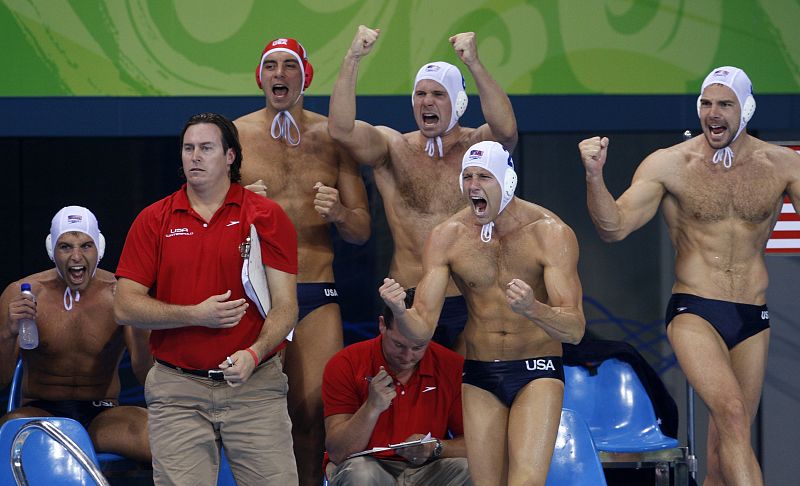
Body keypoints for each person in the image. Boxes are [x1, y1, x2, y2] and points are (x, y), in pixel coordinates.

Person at [578, 66, 800, 486]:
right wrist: (594, 176)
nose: (713, 113)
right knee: (732, 414)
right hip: (695, 309)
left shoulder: (782, 165)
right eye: (706, 103)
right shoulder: (670, 165)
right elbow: (614, 227)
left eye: (724, 104)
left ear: (746, 109)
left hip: (753, 315)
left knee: (726, 442)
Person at [381, 141, 585, 485]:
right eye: (468, 176)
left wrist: (533, 309)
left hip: (536, 370)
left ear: (507, 182)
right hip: (479, 373)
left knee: (525, 482)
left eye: (484, 177)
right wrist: (400, 311)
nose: (473, 186)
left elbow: (575, 329)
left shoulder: (550, 233)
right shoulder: (447, 237)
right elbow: (421, 330)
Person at [114, 112, 299, 485]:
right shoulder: (154, 219)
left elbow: (286, 307)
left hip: (254, 385)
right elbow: (124, 305)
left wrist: (255, 352)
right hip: (178, 390)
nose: (194, 156)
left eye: (206, 148)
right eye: (188, 148)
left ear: (230, 156)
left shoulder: (266, 216)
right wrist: (195, 314)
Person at [329, 26, 518, 354]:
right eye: (420, 94)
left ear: (458, 101)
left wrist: (474, 63)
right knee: (406, 400)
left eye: (438, 94)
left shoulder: (479, 148)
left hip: (469, 301)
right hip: (407, 300)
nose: (427, 101)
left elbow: (506, 130)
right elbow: (341, 130)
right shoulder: (393, 147)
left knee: (463, 397)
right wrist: (353, 58)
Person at [234, 37, 371, 486]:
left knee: (313, 411)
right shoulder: (233, 136)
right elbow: (204, 220)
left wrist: (339, 214)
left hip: (315, 287)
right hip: (258, 294)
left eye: (288, 66)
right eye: (270, 66)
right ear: (260, 77)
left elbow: (361, 230)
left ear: (304, 76)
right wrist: (236, 208)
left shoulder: (335, 137)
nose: (279, 74)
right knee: (255, 412)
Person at [0, 205, 151, 463]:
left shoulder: (120, 294)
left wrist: (139, 328)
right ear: (52, 250)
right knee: (10, 435)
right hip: (41, 411)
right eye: (66, 246)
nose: (76, 257)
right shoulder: (20, 294)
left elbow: (146, 376)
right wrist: (8, 335)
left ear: (99, 248)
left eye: (86, 246)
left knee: (164, 439)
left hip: (103, 415)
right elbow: (1, 382)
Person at [322, 289, 471, 485]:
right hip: (368, 464)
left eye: (418, 347)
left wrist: (435, 447)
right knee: (360, 473)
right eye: (399, 345)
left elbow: (474, 446)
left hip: (428, 468)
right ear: (382, 325)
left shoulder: (451, 365)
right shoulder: (346, 362)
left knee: (471, 469)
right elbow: (338, 452)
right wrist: (371, 407)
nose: (408, 356)